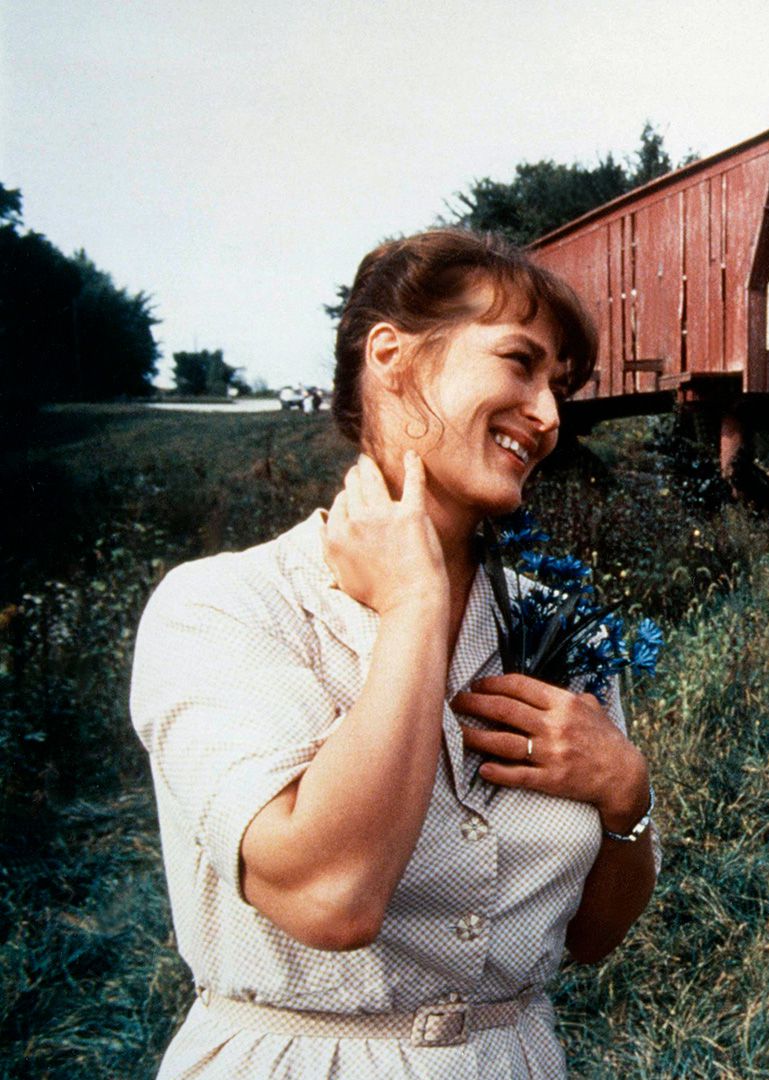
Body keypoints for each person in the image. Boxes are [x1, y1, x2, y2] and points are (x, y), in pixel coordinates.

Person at [130, 229, 658, 1078]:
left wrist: (627, 796)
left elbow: (594, 939)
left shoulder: (558, 629)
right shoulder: (224, 607)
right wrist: (416, 603)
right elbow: (331, 897)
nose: (552, 417)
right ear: (393, 355)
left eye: (559, 386)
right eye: (520, 364)